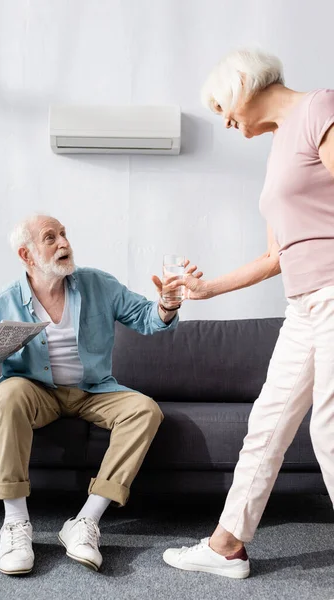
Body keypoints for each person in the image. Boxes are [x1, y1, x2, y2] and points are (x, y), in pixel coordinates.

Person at [0, 214, 200, 576]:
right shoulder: (3, 301)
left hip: (93, 390)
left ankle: (85, 521)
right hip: (36, 392)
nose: (64, 243)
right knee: (9, 392)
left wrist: (167, 305)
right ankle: (15, 523)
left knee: (145, 410)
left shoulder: (97, 284)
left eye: (64, 234)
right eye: (51, 237)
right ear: (26, 255)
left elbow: (146, 317)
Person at [162, 48, 334, 579]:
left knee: (329, 429)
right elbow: (274, 255)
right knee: (266, 424)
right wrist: (206, 289)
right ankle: (227, 545)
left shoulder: (320, 108)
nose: (226, 120)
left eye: (222, 107)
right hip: (304, 305)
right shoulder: (279, 145)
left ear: (241, 84)